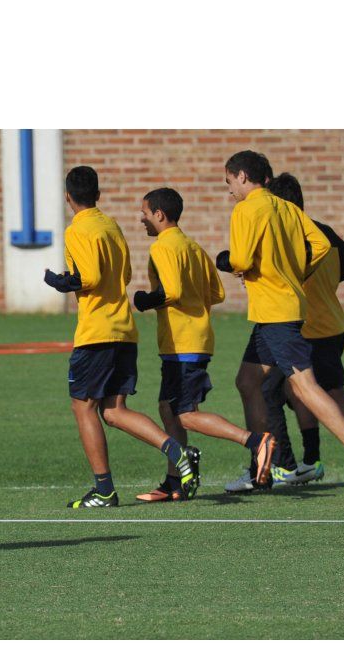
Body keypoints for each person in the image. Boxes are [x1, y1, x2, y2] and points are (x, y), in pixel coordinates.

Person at [219, 151, 344, 497]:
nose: (229, 189)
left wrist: (230, 263)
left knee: (306, 387)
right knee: (248, 381)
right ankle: (260, 469)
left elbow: (241, 259)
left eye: (229, 182)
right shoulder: (288, 208)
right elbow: (322, 245)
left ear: (242, 176)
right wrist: (295, 273)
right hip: (275, 313)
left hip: (276, 313)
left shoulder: (246, 209)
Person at [44, 166, 200, 507]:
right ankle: (178, 452)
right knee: (114, 411)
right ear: (98, 194)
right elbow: (124, 274)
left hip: (96, 333)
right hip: (124, 330)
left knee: (82, 406)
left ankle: (104, 490)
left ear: (68, 196)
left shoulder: (78, 228)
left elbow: (89, 277)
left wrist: (61, 281)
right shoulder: (111, 225)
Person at [131, 187, 276, 502]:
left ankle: (255, 442)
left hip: (183, 342)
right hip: (193, 339)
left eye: (144, 213)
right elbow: (217, 294)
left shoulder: (163, 247)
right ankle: (176, 480)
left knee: (185, 414)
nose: (141, 219)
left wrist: (144, 300)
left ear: (159, 214)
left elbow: (171, 291)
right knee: (167, 407)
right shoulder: (193, 246)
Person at [263, 173, 344, 485]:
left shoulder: (292, 235)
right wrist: (325, 285)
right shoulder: (324, 231)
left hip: (313, 328)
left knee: (324, 394)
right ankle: (312, 460)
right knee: (294, 390)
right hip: (331, 322)